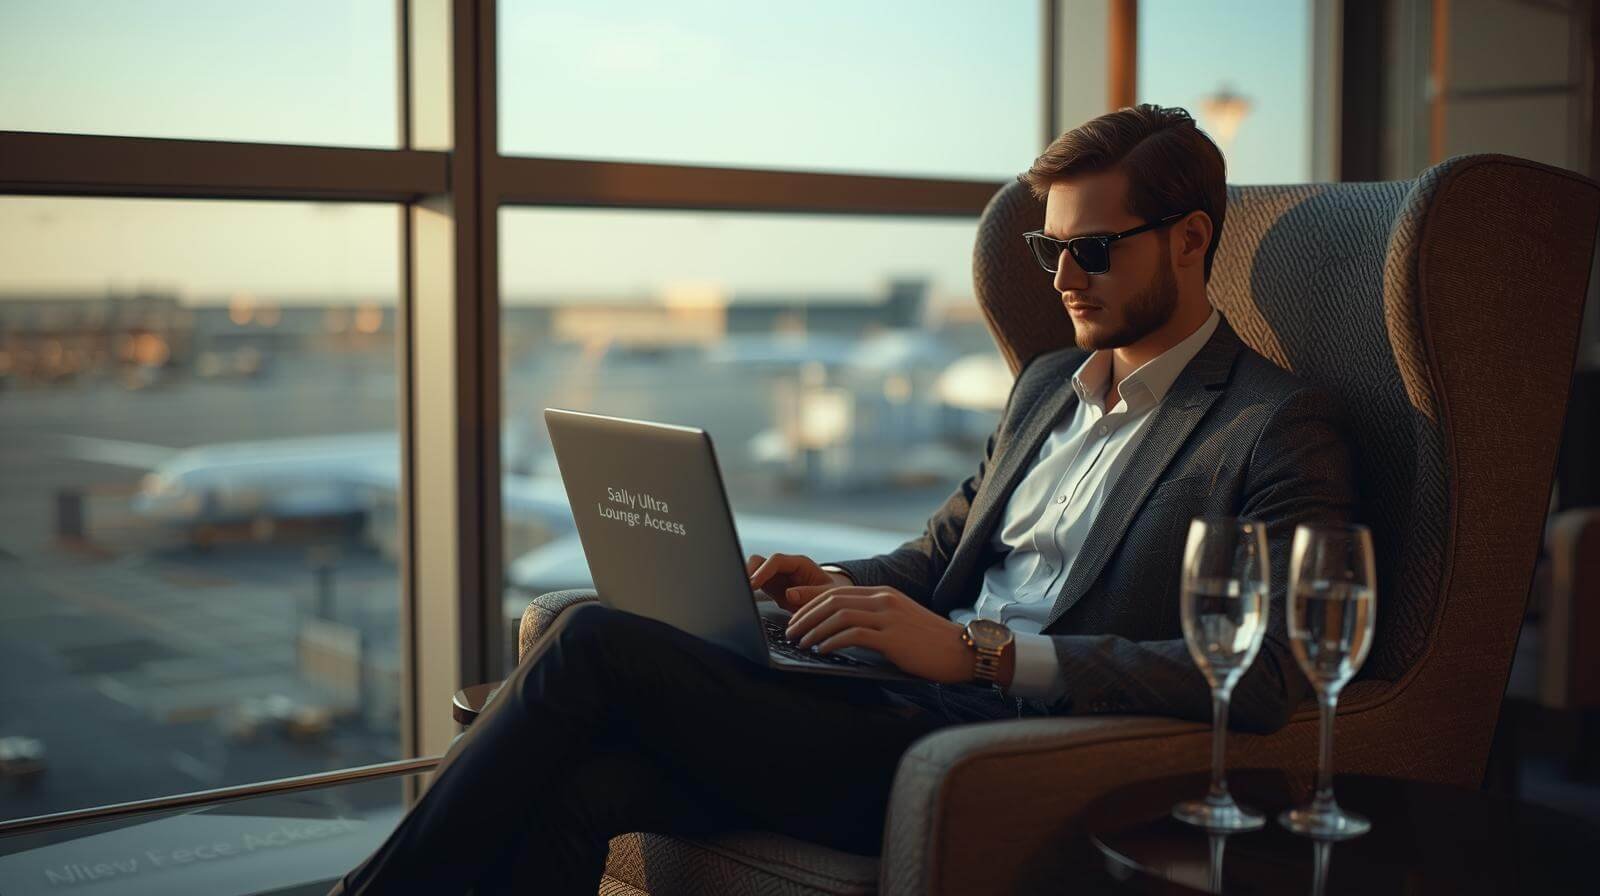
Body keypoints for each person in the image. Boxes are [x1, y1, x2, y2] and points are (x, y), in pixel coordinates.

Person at [328, 103, 1357, 895]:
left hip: (987, 741)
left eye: (1092, 249)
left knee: (595, 635)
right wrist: (827, 583)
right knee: (586, 782)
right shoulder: (1049, 384)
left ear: (1187, 240)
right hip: (886, 701)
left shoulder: (1271, 426)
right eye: (1048, 251)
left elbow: (1263, 676)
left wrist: (987, 654)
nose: (1061, 280)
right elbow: (935, 555)